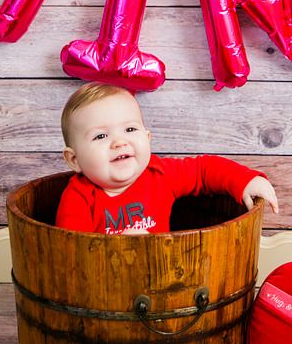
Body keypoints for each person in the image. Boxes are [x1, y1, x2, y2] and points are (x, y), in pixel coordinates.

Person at [56, 82, 279, 234]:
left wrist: (245, 180)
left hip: (162, 283)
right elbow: (73, 252)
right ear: (74, 159)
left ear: (148, 138)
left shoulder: (159, 174)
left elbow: (203, 170)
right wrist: (117, 249)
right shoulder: (78, 197)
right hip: (107, 292)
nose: (119, 142)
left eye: (130, 130)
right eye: (101, 136)